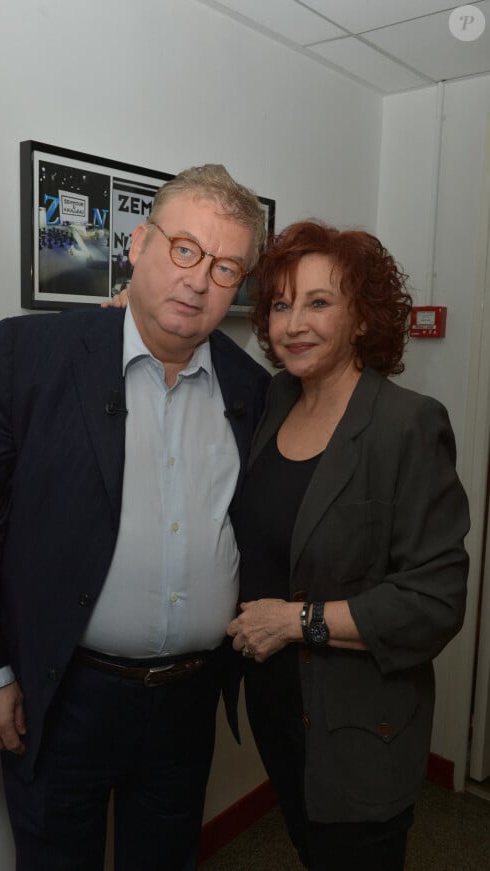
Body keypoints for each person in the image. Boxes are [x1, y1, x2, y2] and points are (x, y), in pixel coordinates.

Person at [0, 164, 271, 871]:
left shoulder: (251, 389)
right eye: (184, 249)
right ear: (139, 243)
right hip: (64, 695)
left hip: (188, 701)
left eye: (226, 265)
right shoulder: (31, 356)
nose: (199, 279)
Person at [227, 220, 469, 871]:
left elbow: (434, 598)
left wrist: (295, 620)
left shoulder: (407, 424)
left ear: (361, 317)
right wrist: (121, 315)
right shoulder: (276, 398)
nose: (293, 323)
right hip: (280, 709)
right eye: (280, 304)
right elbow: (199, 356)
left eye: (319, 302)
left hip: (362, 728)